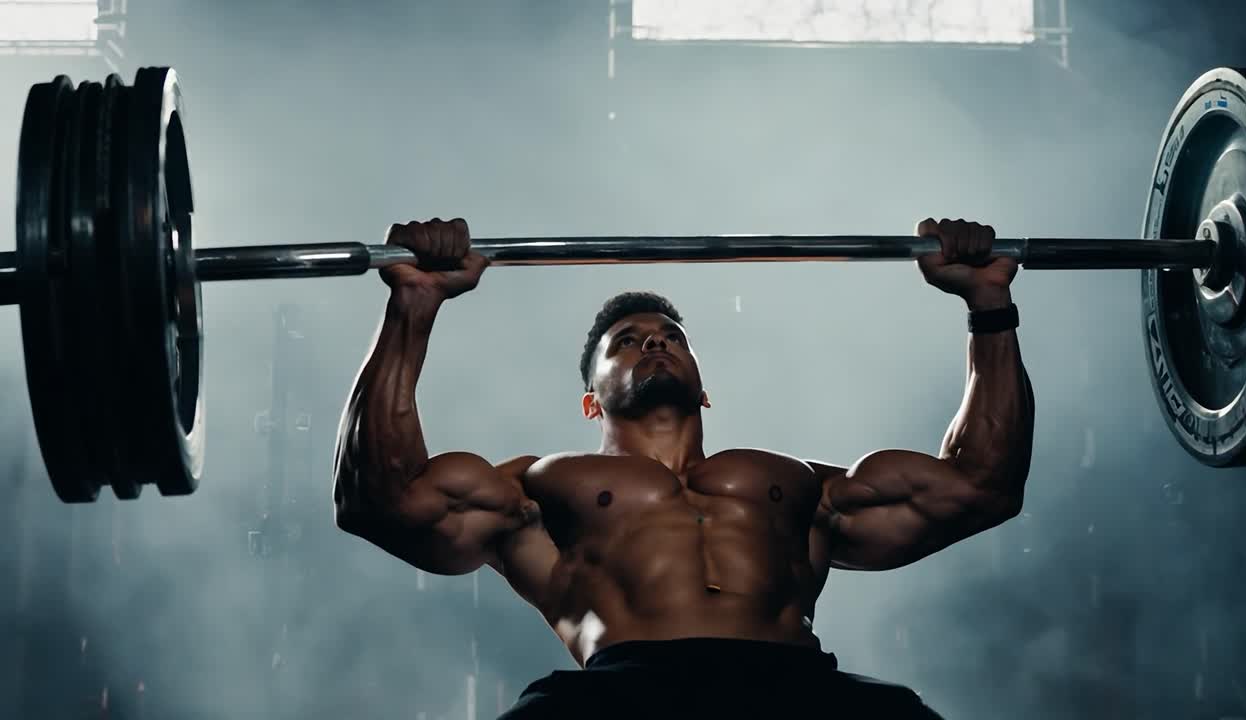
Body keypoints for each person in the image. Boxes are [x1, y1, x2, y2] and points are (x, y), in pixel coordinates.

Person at [332, 217, 1034, 719]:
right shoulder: (536, 489)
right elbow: (380, 501)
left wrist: (989, 306)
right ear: (590, 400)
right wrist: (413, 309)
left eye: (671, 339)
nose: (655, 344)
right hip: (625, 692)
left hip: (795, 686)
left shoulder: (800, 485)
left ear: (703, 387)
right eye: (628, 342)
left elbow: (981, 487)